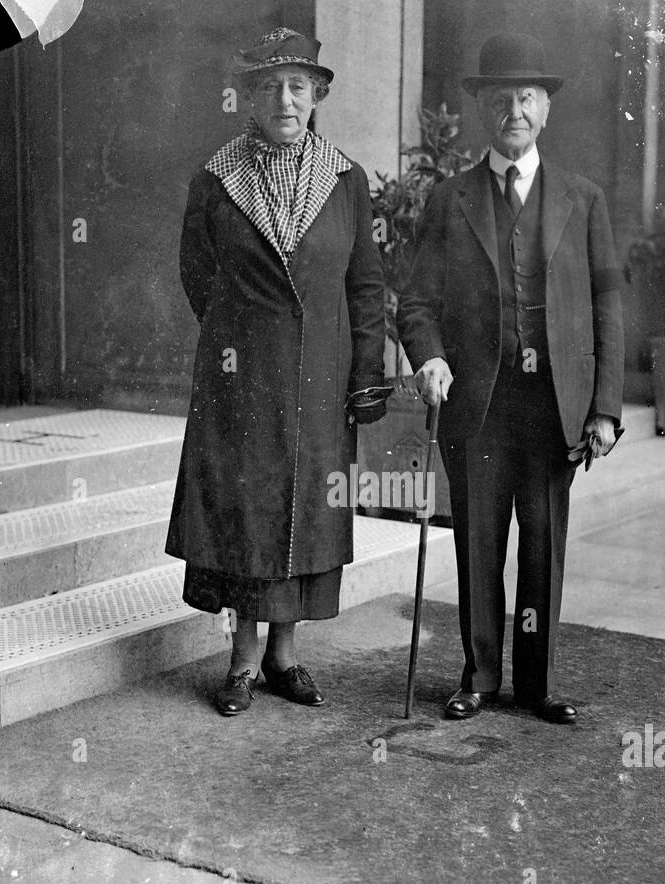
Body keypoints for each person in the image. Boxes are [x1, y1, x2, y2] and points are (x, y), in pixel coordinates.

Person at [398, 32, 624, 724]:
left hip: (554, 404)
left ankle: (539, 682)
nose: (515, 111)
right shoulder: (449, 200)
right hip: (480, 404)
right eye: (501, 99)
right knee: (479, 543)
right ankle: (480, 675)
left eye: (527, 98)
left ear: (545, 110)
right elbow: (416, 302)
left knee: (542, 546)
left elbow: (610, 302)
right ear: (482, 111)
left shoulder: (583, 200)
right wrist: (428, 355)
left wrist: (606, 408)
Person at [166, 27, 388, 716]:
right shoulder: (217, 176)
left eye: (297, 86)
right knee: (243, 513)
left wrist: (365, 375)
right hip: (241, 380)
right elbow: (196, 270)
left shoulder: (348, 181)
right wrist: (239, 338)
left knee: (304, 512)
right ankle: (239, 663)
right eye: (269, 86)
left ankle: (285, 657)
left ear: (317, 93)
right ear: (249, 98)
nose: (284, 100)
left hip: (321, 376)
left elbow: (366, 286)